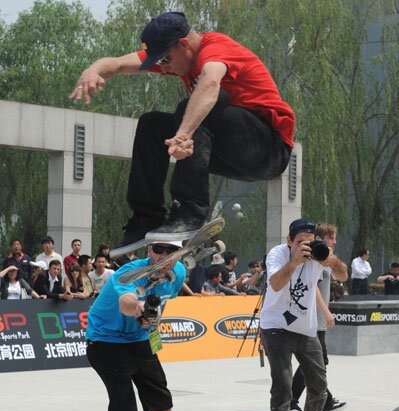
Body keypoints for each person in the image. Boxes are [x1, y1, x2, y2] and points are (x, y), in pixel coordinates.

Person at [70, 11, 294, 255]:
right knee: (151, 125)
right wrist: (93, 70)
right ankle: (147, 217)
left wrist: (183, 134)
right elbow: (118, 64)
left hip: (269, 149)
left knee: (191, 109)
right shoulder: (176, 54)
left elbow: (209, 85)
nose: (165, 67)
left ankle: (189, 211)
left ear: (184, 44)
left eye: (166, 60)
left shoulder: (216, 50)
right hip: (232, 152)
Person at [259, 218, 347, 411]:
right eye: (300, 242)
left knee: (319, 386)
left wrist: (332, 259)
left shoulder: (318, 255)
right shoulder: (278, 254)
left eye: (310, 242)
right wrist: (295, 262)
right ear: (289, 241)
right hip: (275, 328)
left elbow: (343, 275)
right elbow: (276, 284)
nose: (306, 247)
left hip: (306, 330)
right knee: (283, 387)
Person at [85, 240, 186, 411]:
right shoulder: (128, 273)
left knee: (162, 400)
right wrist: (138, 308)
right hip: (105, 338)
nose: (164, 256)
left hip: (140, 338)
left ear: (180, 254)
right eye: (159, 250)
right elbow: (125, 301)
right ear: (149, 251)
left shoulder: (178, 273)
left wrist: (153, 322)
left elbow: (164, 301)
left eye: (172, 251)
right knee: (123, 404)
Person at [290, 223, 348, 411]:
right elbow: (313, 288)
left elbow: (343, 275)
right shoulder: (313, 258)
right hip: (313, 317)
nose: (335, 241)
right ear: (322, 239)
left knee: (317, 361)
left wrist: (331, 259)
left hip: (318, 319)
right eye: (332, 238)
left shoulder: (324, 258)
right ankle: (294, 400)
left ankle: (325, 399)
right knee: (316, 360)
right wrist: (327, 312)